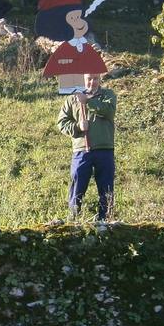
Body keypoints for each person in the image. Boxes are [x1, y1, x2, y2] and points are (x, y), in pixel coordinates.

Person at [57, 72, 117, 221]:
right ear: (83, 79)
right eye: (89, 79)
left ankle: (105, 220)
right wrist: (77, 126)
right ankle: (74, 218)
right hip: (82, 150)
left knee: (106, 187)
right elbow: (62, 123)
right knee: (77, 183)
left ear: (100, 79)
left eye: (95, 78)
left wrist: (87, 102)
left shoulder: (108, 95)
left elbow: (109, 111)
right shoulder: (72, 99)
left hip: (105, 149)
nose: (92, 82)